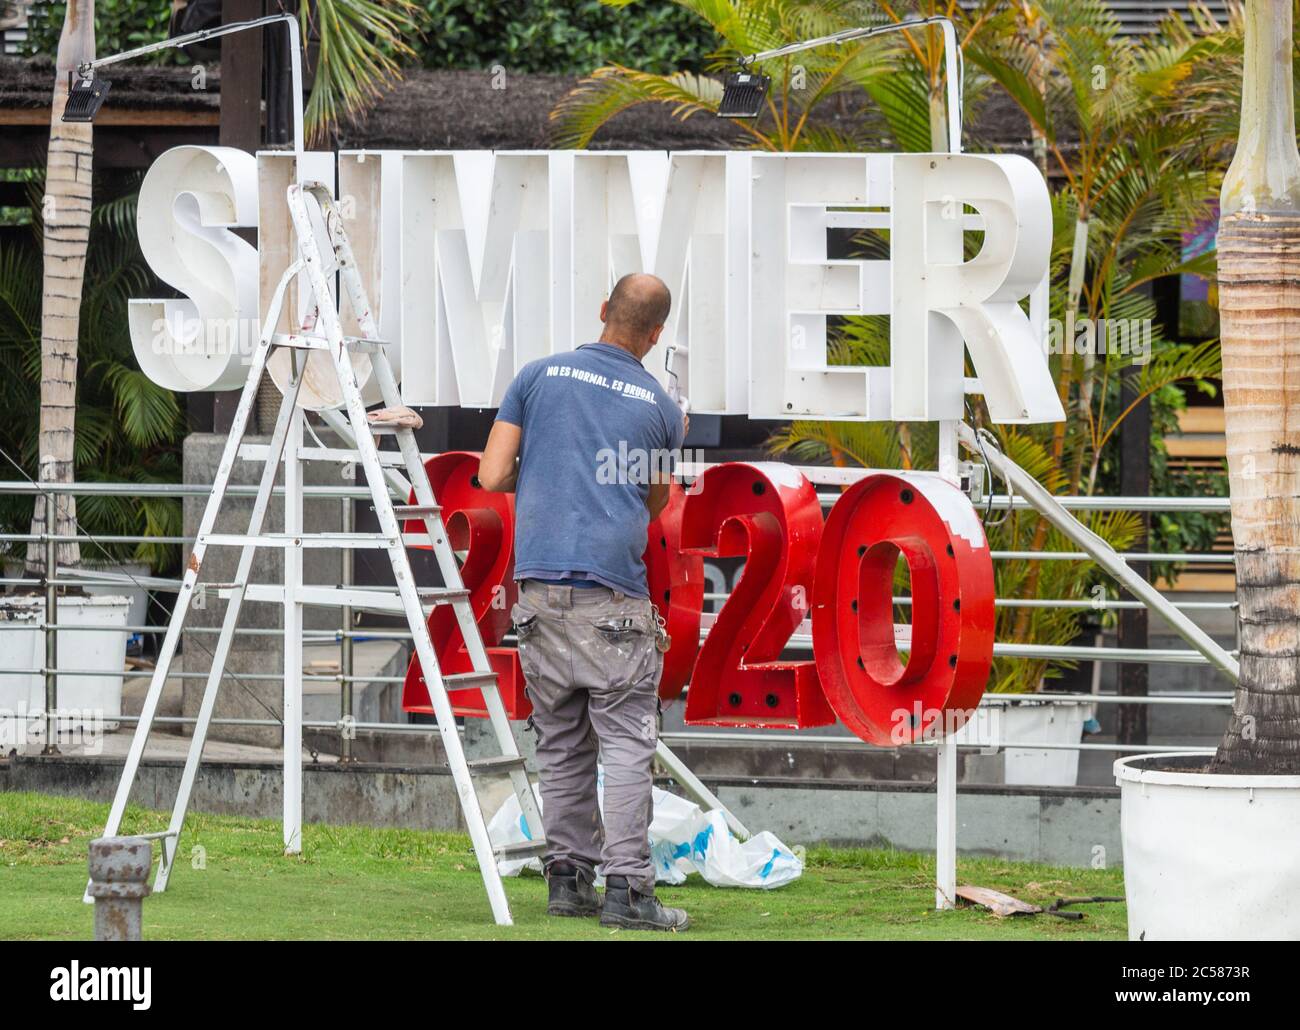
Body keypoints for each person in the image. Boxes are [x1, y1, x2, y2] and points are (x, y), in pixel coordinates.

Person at [478, 273, 689, 931]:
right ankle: (628, 894)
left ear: (602, 310)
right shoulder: (660, 406)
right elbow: (655, 502)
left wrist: (539, 471)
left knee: (563, 744)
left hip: (538, 597)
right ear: (655, 335)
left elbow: (489, 475)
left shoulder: (537, 376)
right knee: (626, 745)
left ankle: (567, 883)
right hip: (614, 602)